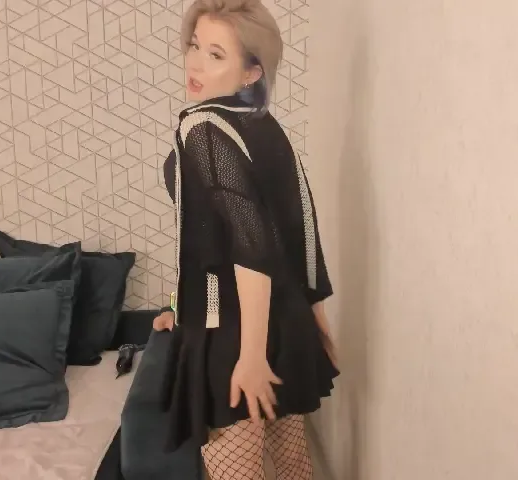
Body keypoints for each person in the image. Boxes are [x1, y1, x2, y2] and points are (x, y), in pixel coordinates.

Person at [153, 0, 339, 478]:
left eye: (216, 55)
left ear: (252, 71)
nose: (195, 63)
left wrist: (251, 355)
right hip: (284, 315)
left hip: (236, 331)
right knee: (293, 464)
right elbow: (298, 222)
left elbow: (250, 246)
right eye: (196, 46)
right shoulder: (262, 123)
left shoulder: (203, 127)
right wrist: (314, 317)